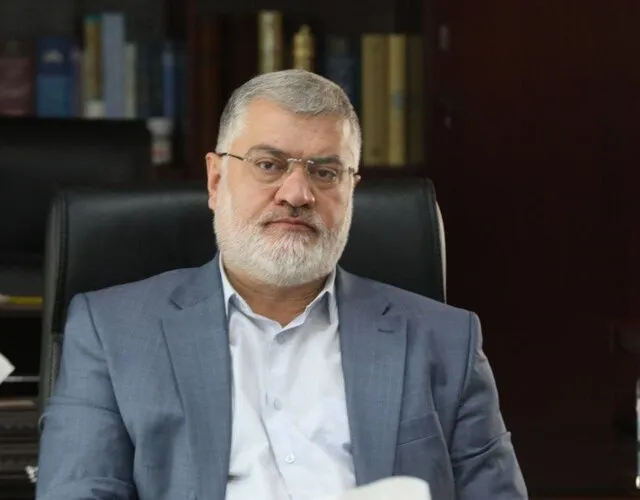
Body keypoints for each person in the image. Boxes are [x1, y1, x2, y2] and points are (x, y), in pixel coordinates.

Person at [36, 69, 527, 500]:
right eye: (269, 165)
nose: (296, 194)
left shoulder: (445, 340)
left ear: (351, 191)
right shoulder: (113, 331)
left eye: (325, 172)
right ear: (215, 180)